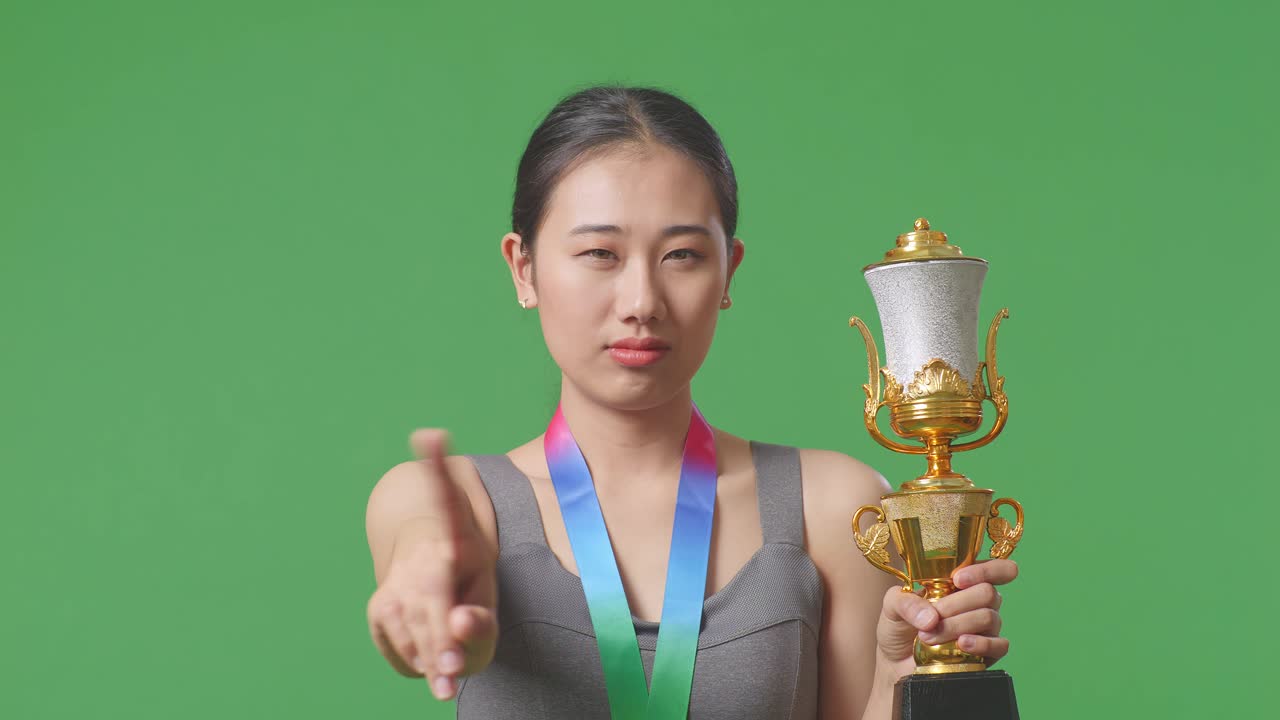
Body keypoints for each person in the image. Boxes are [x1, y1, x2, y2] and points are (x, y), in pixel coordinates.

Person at [363, 85, 1017, 719]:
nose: (642, 302)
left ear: (728, 271)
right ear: (524, 268)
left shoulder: (835, 508)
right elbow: (424, 553)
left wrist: (903, 670)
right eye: (599, 253)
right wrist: (431, 598)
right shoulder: (447, 499)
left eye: (682, 254)